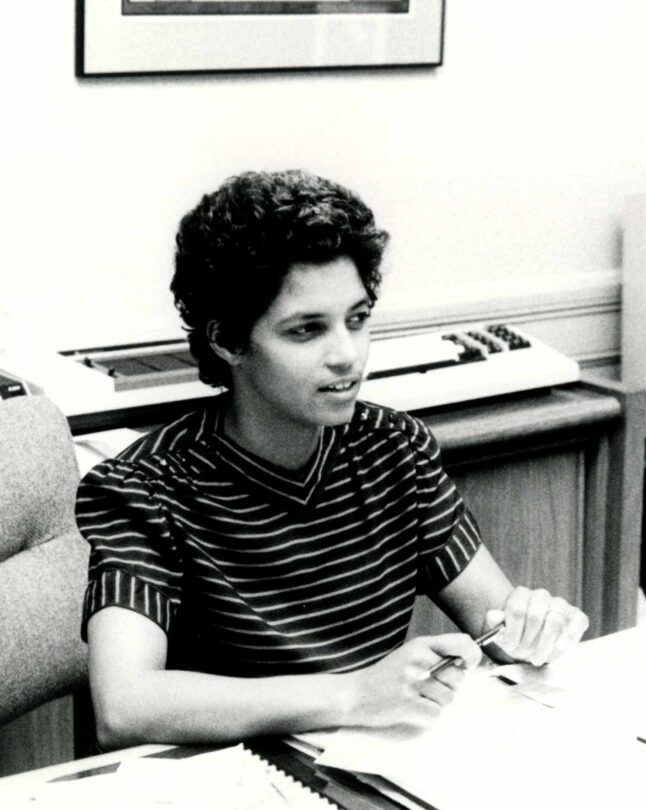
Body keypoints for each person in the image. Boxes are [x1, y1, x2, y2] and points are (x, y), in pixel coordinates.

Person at [76, 169, 589, 750]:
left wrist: (533, 628)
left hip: (373, 767)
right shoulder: (145, 487)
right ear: (228, 341)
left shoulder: (395, 449)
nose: (347, 355)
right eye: (306, 331)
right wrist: (351, 695)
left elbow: (498, 628)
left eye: (357, 319)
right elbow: (124, 706)